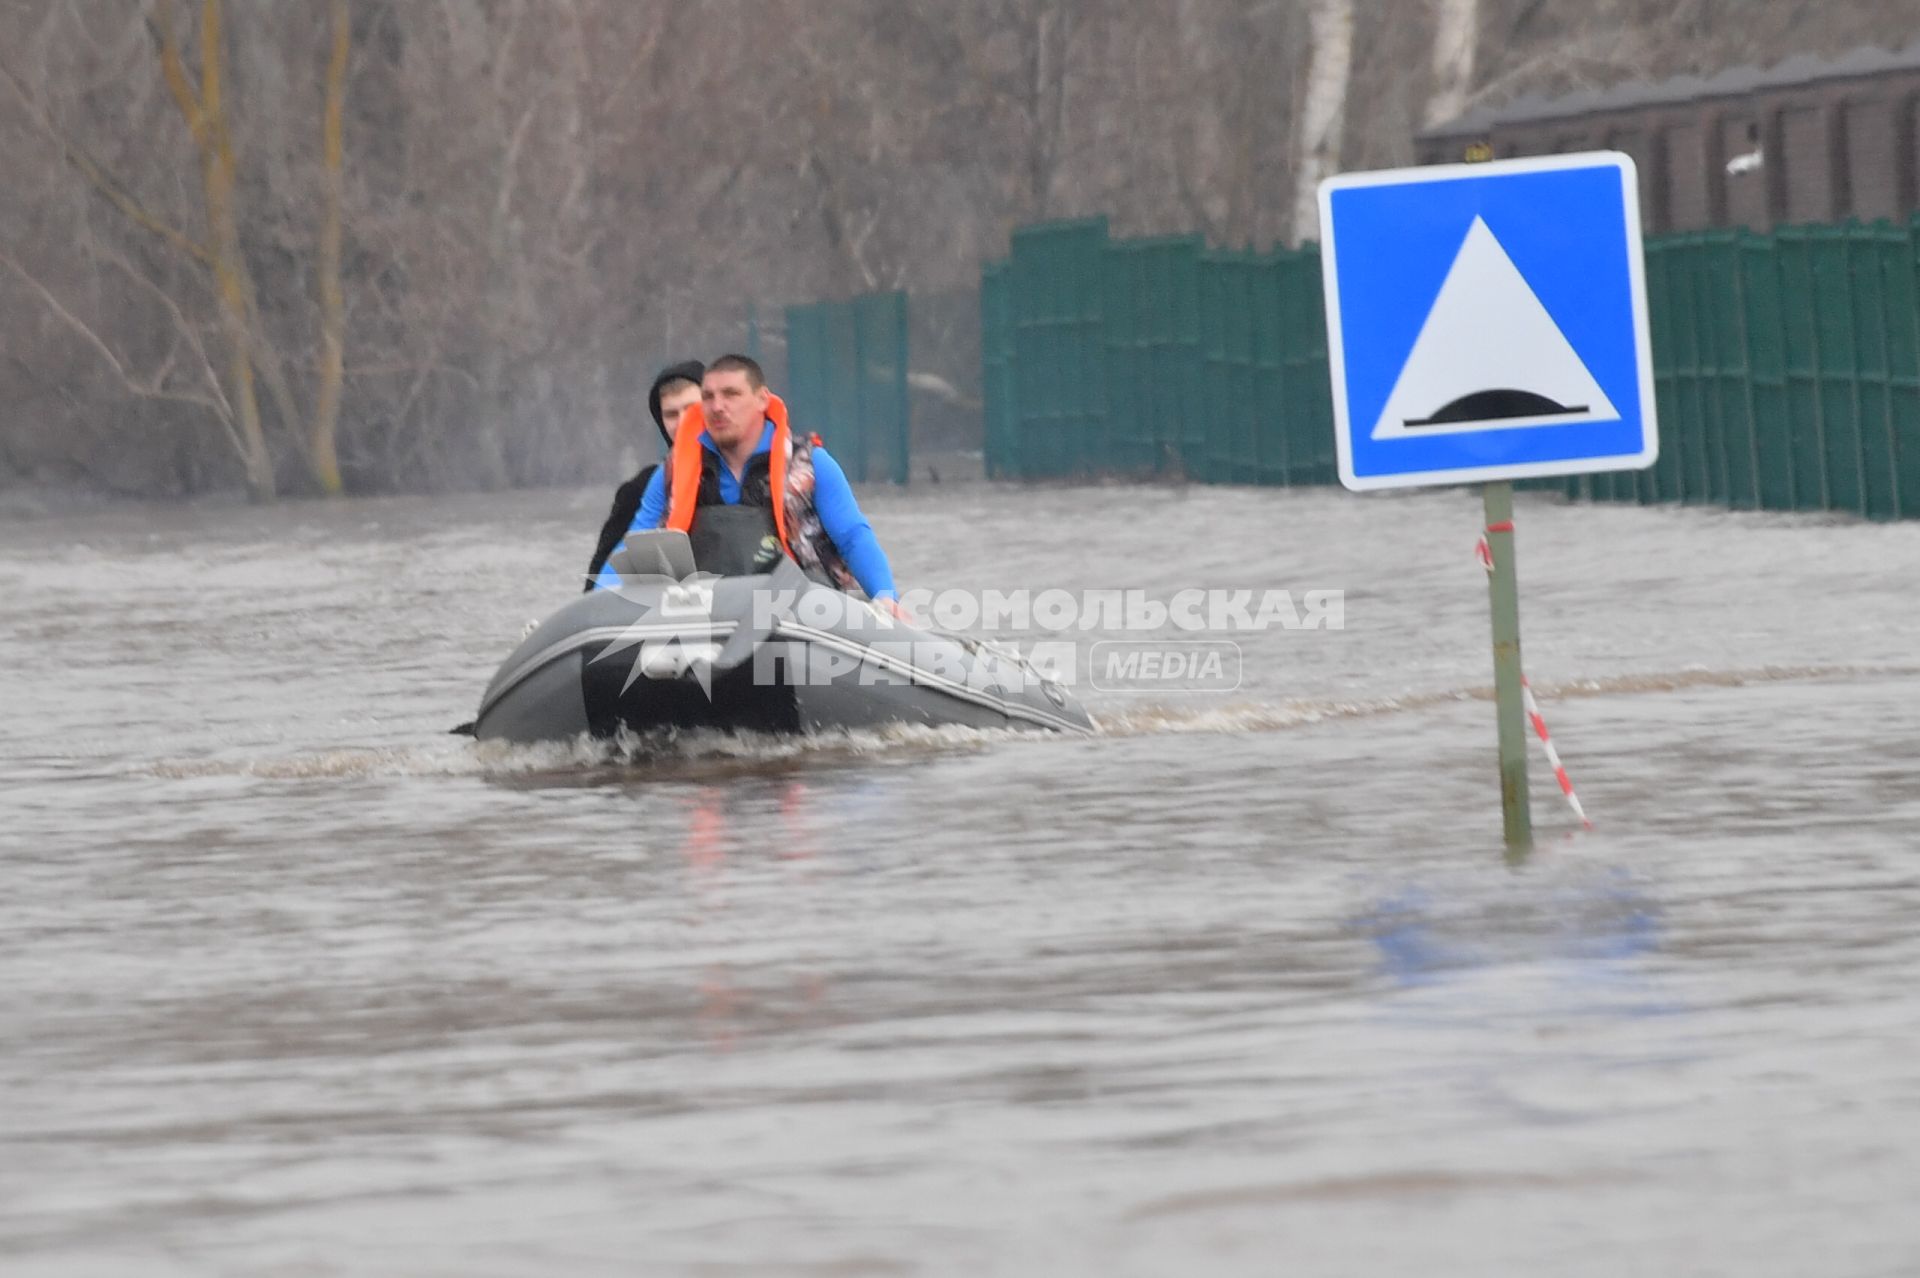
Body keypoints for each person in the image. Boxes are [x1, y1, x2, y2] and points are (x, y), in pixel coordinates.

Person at [593, 353, 897, 602]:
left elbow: (854, 537)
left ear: (763, 399)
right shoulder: (670, 474)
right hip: (704, 621)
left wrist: (886, 598)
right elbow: (633, 546)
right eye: (709, 397)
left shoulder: (812, 464)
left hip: (803, 620)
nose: (718, 407)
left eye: (731, 394)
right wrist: (596, 606)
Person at [582, 360, 704, 590]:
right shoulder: (638, 490)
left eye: (691, 409)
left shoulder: (758, 474)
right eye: (671, 414)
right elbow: (597, 583)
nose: (683, 422)